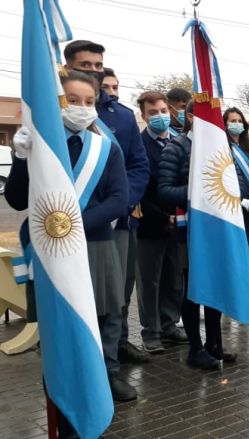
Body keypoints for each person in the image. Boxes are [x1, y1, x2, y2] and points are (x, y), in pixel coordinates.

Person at [7, 71, 133, 401]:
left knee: (105, 316)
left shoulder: (107, 149)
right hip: (50, 251)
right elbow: (17, 199)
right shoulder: (39, 146)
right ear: (57, 103)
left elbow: (118, 201)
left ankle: (108, 375)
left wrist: (71, 226)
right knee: (61, 320)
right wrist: (20, 157)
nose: (82, 107)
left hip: (96, 245)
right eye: (73, 101)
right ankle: (65, 382)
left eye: (89, 102)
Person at [63, 40, 151, 365]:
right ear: (68, 66)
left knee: (115, 296)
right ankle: (85, 364)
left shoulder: (123, 116)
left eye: (99, 66)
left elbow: (138, 165)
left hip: (118, 222)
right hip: (66, 227)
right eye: (87, 66)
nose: (95, 72)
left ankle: (112, 359)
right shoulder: (60, 111)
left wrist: (125, 203)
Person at [158, 101, 235, 370]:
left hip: (216, 227)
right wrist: (197, 191)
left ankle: (215, 344)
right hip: (187, 230)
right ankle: (195, 348)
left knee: (214, 287)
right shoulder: (176, 147)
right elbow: (164, 190)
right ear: (190, 117)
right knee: (192, 290)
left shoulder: (218, 147)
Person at [135, 91, 187, 354]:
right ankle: (151, 332)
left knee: (174, 278)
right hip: (150, 224)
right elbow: (139, 191)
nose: (160, 117)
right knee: (150, 282)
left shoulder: (179, 142)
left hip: (179, 224)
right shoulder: (138, 145)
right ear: (143, 116)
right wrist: (161, 216)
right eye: (153, 113)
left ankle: (170, 325)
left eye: (163, 111)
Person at [223, 107, 249, 241]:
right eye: (233, 121)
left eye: (240, 121)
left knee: (246, 243)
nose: (237, 124)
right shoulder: (221, 147)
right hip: (230, 206)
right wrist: (238, 200)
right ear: (225, 124)